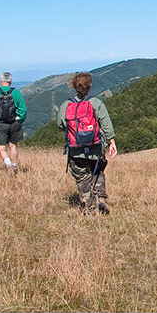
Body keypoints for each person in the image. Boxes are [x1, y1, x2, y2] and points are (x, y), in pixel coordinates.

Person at [57, 72, 117, 215]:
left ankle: (89, 205)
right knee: (97, 171)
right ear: (89, 86)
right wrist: (112, 141)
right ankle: (101, 199)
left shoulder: (66, 105)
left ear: (75, 87)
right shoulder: (96, 103)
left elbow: (60, 124)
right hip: (96, 147)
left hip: (75, 149)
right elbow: (106, 125)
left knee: (82, 176)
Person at [0, 72, 27, 176]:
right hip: (14, 123)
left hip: (0, 124)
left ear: (1, 81)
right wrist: (19, 120)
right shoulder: (16, 92)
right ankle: (14, 165)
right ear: (11, 82)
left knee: (1, 148)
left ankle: (8, 164)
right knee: (13, 146)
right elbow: (23, 110)